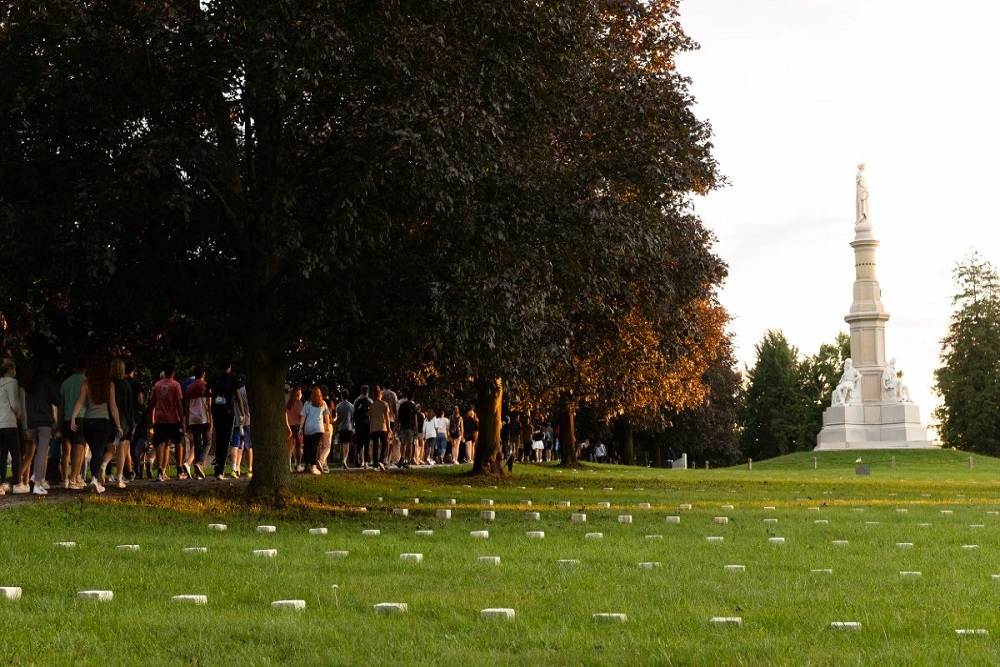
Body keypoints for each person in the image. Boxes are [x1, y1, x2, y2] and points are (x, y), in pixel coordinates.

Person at [69, 355, 123, 493]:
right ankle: (94, 479)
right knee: (99, 451)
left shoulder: (86, 384)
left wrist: (73, 417)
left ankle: (95, 478)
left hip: (88, 422)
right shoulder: (109, 385)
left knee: (95, 451)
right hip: (103, 422)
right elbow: (113, 406)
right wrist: (118, 425)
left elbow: (80, 402)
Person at [20, 357, 59, 495]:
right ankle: (37, 483)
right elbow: (57, 399)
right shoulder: (47, 382)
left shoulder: (28, 384)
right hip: (44, 422)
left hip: (31, 423)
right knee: (42, 452)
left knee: (40, 452)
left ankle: (34, 477)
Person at [148, 364, 185, 481]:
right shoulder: (175, 385)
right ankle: (179, 470)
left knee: (161, 444)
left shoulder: (157, 385)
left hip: (160, 419)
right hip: (173, 419)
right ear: (173, 373)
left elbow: (152, 402)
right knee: (178, 442)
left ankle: (159, 471)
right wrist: (182, 419)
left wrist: (150, 419)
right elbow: (179, 403)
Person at [209, 360, 244, 480]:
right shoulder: (232, 378)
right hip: (228, 412)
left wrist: (214, 396)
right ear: (229, 367)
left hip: (215, 411)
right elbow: (238, 398)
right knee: (225, 441)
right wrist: (242, 413)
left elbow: (205, 391)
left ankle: (217, 465)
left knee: (219, 438)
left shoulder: (214, 377)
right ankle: (220, 470)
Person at [58, 358, 88, 489]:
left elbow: (61, 404)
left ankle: (65, 478)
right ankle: (74, 478)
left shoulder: (66, 382)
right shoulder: (86, 382)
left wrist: (59, 422)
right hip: (80, 417)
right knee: (79, 449)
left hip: (66, 418)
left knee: (66, 451)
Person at [0, 358, 27, 495]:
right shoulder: (12, 382)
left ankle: (2, 483)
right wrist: (20, 414)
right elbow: (15, 404)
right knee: (16, 453)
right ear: (11, 369)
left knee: (2, 454)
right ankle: (17, 483)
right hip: (9, 423)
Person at [106, 359, 134, 488]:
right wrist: (131, 422)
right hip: (122, 420)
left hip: (108, 419)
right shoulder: (126, 385)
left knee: (109, 448)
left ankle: (104, 468)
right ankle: (119, 477)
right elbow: (129, 406)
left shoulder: (108, 384)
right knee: (121, 449)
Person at [185, 365, 211, 479]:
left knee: (197, 443)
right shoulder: (205, 386)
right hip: (203, 417)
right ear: (203, 374)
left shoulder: (189, 388)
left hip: (193, 419)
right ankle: (199, 463)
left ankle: (197, 473)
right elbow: (208, 404)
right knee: (207, 442)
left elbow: (187, 406)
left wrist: (187, 422)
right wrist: (210, 419)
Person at [299, 386, 330, 475]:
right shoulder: (323, 403)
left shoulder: (307, 404)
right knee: (315, 446)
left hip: (308, 428)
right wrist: (327, 426)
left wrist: (301, 428)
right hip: (319, 428)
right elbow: (327, 416)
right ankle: (313, 466)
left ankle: (307, 464)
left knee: (307, 446)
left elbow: (303, 416)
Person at [369, 386, 391, 470]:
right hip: (383, 427)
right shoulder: (385, 404)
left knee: (375, 445)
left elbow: (370, 418)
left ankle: (375, 464)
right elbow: (387, 417)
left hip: (374, 428)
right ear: (380, 394)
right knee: (385, 444)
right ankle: (381, 460)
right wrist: (389, 428)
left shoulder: (371, 406)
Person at [396, 388, 417, 467]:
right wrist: (416, 429)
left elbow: (398, 417)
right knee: (410, 444)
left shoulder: (402, 405)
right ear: (412, 397)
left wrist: (398, 426)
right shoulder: (413, 405)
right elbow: (415, 418)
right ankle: (408, 461)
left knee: (403, 443)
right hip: (411, 427)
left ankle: (402, 457)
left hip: (403, 426)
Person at [353, 386, 372, 469]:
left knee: (359, 442)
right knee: (366, 443)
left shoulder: (356, 400)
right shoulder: (370, 401)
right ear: (367, 391)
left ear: (361, 391)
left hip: (358, 425)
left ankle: (357, 455)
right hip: (367, 424)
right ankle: (365, 462)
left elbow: (354, 412)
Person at [286, 386, 304, 472]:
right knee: (298, 447)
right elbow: (301, 415)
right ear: (298, 394)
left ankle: (288, 465)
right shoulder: (299, 403)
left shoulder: (288, 403)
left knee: (289, 448)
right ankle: (298, 465)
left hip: (289, 426)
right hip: (297, 426)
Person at [335, 389, 354, 469]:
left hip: (341, 427)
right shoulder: (351, 406)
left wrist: (336, 427)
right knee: (347, 444)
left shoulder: (338, 406)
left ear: (341, 396)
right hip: (349, 427)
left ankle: (343, 460)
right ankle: (345, 459)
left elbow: (337, 418)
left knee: (342, 444)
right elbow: (353, 417)